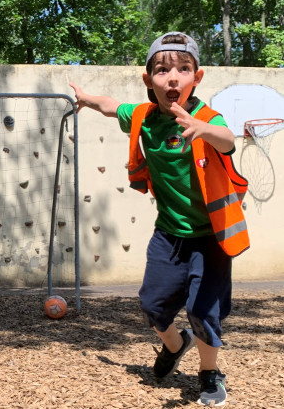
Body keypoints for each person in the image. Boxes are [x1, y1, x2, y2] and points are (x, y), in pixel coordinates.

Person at [70, 32, 249, 406]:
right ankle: (176, 343)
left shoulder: (206, 118)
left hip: (211, 238)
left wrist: (203, 129)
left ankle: (210, 373)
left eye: (184, 70)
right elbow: (111, 106)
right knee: (153, 306)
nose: (173, 77)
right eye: (163, 70)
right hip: (168, 236)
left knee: (204, 310)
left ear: (196, 79)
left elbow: (227, 139)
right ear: (148, 79)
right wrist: (87, 100)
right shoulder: (144, 119)